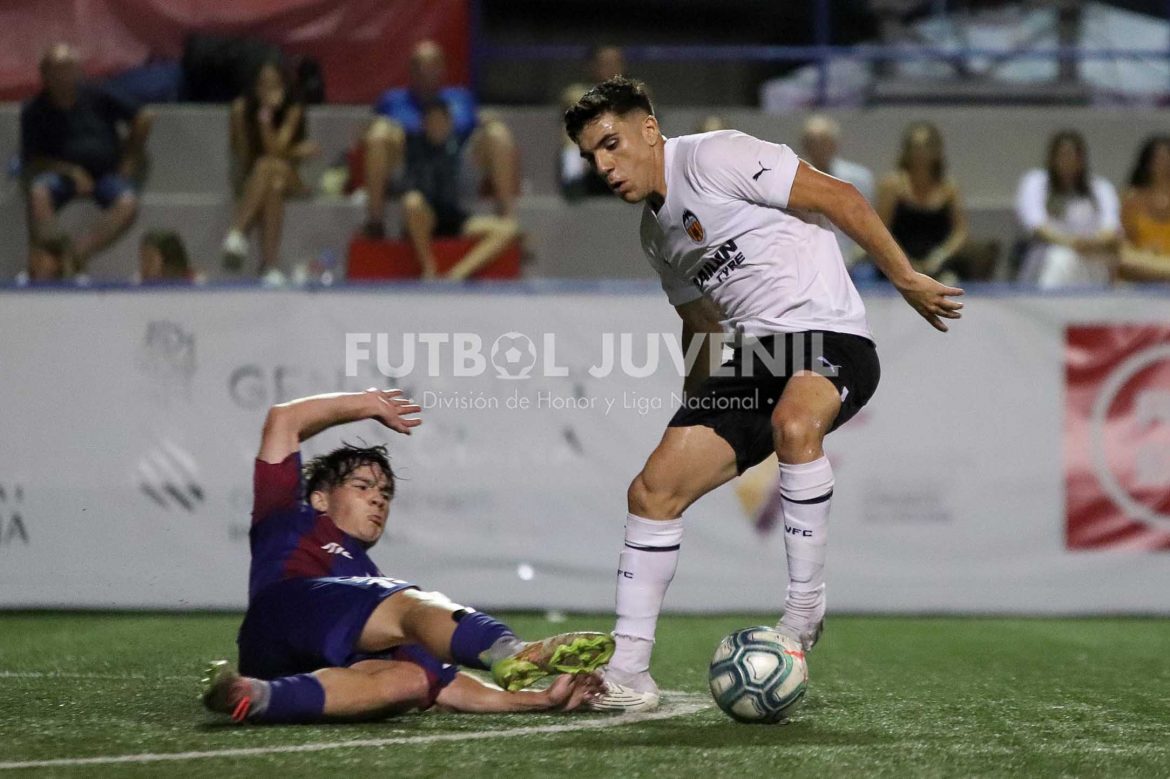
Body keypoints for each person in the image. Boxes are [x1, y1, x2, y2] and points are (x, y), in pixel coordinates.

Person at [563, 77, 962, 711]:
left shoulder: (714, 156)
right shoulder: (655, 233)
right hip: (756, 362)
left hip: (827, 337)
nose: (604, 165)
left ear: (648, 128)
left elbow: (840, 197)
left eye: (611, 144)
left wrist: (905, 276)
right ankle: (630, 672)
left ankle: (803, 613)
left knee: (795, 426)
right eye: (591, 156)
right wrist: (692, 413)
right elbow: (700, 325)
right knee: (652, 490)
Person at [201, 388, 612, 724]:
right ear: (320, 498)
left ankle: (255, 696)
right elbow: (283, 419)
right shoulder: (288, 517)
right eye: (363, 487)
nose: (378, 500)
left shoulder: (368, 592)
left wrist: (541, 701)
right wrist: (366, 403)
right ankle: (507, 650)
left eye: (384, 495)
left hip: (282, 667)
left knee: (413, 680)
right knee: (408, 605)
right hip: (278, 613)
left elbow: (444, 686)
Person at [361, 40, 517, 237]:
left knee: (498, 133)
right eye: (419, 65)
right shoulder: (392, 100)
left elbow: (477, 127)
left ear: (442, 69)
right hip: (411, 169)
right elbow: (366, 132)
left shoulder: (461, 97)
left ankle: (508, 220)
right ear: (410, 70)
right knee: (378, 134)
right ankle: (375, 222)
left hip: (454, 167)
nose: (425, 72)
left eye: (432, 65)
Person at [21, 43, 153, 274]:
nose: (63, 76)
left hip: (106, 174)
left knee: (127, 202)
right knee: (39, 193)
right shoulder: (34, 111)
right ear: (44, 74)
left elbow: (144, 116)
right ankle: (50, 258)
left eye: (68, 68)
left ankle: (76, 256)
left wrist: (130, 156)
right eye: (56, 69)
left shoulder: (99, 94)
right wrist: (69, 171)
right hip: (62, 177)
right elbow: (33, 158)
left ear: (78, 71)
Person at [221, 61, 319, 283]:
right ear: (254, 88)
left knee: (269, 166)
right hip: (257, 177)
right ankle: (269, 266)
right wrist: (295, 151)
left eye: (274, 85)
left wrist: (265, 118)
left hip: (292, 176)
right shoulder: (241, 110)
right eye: (263, 85)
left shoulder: (293, 109)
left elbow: (275, 151)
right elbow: (246, 159)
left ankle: (237, 232)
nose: (268, 91)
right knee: (271, 182)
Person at [401, 102, 520, 280]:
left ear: (450, 123)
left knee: (508, 229)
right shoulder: (412, 147)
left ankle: (456, 275)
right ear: (423, 124)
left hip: (456, 219)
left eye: (441, 122)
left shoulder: (460, 147)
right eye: (432, 122)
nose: (436, 127)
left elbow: (479, 142)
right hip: (426, 218)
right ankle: (428, 267)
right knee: (411, 201)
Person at [877, 121, 994, 284]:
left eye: (926, 146)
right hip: (898, 263)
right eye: (915, 146)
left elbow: (960, 232)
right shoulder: (892, 185)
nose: (920, 152)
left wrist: (939, 257)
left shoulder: (949, 187)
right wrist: (904, 262)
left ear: (937, 150)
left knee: (953, 278)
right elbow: (881, 230)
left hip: (938, 262)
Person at [1015, 130, 1121, 288]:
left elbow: (1111, 228)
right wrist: (1072, 243)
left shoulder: (1100, 188)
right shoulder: (1036, 182)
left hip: (1091, 254)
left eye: (1074, 156)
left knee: (1096, 261)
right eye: (1063, 155)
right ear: (1052, 158)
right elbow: (1036, 225)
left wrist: (1091, 243)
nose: (1068, 161)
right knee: (1061, 258)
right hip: (1047, 254)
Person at [800, 114, 876, 270]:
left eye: (823, 142)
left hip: (853, 264)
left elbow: (870, 226)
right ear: (804, 146)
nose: (818, 148)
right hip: (804, 260)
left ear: (835, 144)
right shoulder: (791, 178)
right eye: (812, 143)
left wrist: (854, 258)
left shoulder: (859, 178)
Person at [560, 45, 627, 200]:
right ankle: (573, 178)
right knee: (572, 131)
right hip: (591, 163)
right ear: (593, 67)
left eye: (615, 63)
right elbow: (572, 100)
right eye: (605, 64)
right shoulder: (576, 93)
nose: (611, 69)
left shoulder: (636, 95)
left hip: (623, 160)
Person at [1119, 135, 1170, 283]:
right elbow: (1123, 247)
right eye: (1159, 159)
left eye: (1168, 157)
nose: (1165, 164)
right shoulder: (1131, 200)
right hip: (1143, 268)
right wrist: (1145, 254)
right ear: (1147, 163)